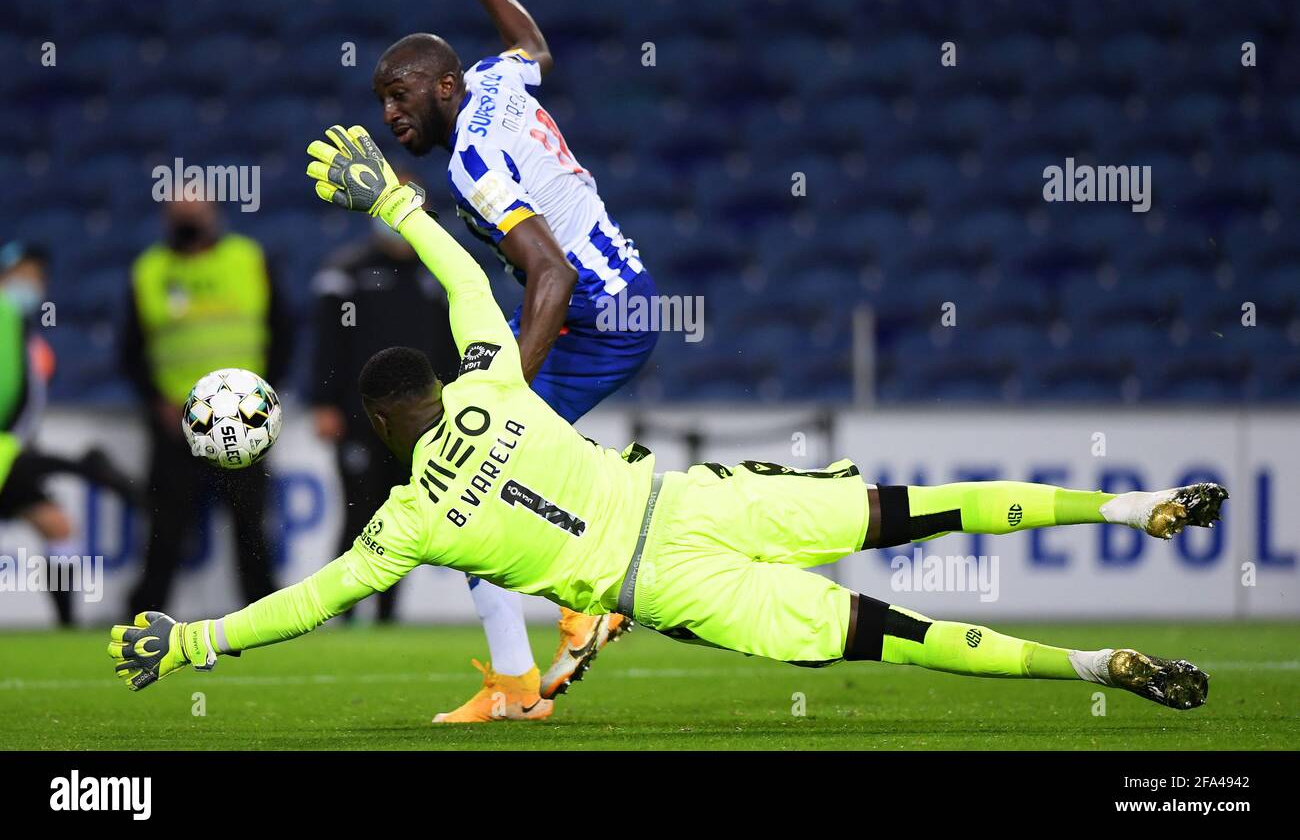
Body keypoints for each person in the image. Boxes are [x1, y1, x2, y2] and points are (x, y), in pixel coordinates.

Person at [108, 129, 1222, 715]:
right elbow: (461, 275)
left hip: (670, 586)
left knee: (895, 632)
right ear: (436, 391)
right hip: (700, 495)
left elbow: (310, 601)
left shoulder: (406, 524)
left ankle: (1088, 665)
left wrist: (196, 636)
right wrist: (394, 197)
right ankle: (1132, 503)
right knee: (911, 509)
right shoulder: (494, 378)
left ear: (388, 430)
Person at [365, 0, 661, 718]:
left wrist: (503, 399)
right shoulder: (495, 83)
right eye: (382, 102)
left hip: (599, 312)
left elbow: (552, 274)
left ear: (444, 87)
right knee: (485, 482)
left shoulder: (472, 163)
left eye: (400, 96)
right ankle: (548, 646)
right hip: (620, 300)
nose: (390, 117)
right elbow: (534, 43)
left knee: (469, 476)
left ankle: (538, 662)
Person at [119, 194, 293, 618]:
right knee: (166, 529)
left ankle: (266, 615)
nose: (189, 218)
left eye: (196, 210)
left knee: (251, 526)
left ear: (214, 214)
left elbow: (284, 330)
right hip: (177, 424)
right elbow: (129, 351)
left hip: (245, 422)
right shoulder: (150, 271)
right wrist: (156, 402)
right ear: (166, 217)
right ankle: (144, 617)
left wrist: (267, 394)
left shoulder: (248, 259)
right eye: (181, 211)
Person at [310, 220, 460, 622]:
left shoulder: (435, 274)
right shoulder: (347, 273)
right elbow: (328, 342)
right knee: (358, 513)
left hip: (417, 424)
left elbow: (449, 348)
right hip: (358, 418)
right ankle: (341, 612)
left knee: (401, 517)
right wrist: (324, 402)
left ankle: (385, 617)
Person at [0, 243, 137, 624]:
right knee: (59, 513)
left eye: (39, 276)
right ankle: (90, 469)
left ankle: (66, 625)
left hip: (12, 449)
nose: (34, 283)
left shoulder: (21, 327)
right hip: (6, 446)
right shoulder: (5, 314)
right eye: (26, 274)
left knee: (57, 526)